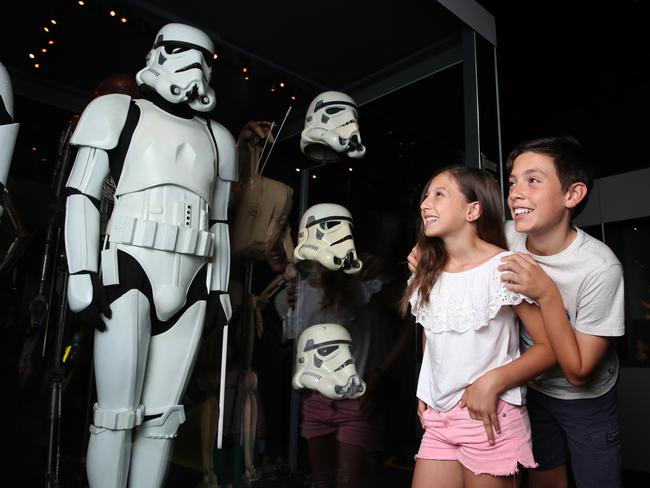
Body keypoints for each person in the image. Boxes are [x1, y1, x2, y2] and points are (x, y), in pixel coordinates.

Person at [63, 23, 236, 488]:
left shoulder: (219, 138)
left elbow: (219, 220)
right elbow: (81, 192)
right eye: (181, 51)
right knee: (117, 415)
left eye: (204, 57)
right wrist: (80, 273)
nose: (194, 65)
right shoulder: (118, 112)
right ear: (158, 54)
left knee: (162, 421)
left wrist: (218, 287)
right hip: (129, 268)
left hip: (193, 280)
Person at [408, 137, 625, 487]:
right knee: (546, 481)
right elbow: (458, 247)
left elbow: (578, 371)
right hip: (526, 388)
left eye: (533, 180)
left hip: (583, 397)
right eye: (512, 182)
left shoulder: (600, 268)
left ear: (572, 195)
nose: (515, 193)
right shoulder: (508, 237)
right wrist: (426, 254)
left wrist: (546, 294)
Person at [402, 165, 555, 488]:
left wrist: (492, 382)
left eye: (439, 194)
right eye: (426, 196)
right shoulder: (426, 273)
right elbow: (433, 332)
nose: (425, 204)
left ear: (473, 210)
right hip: (438, 419)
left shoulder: (505, 267)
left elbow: (549, 347)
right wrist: (426, 386)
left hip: (489, 418)